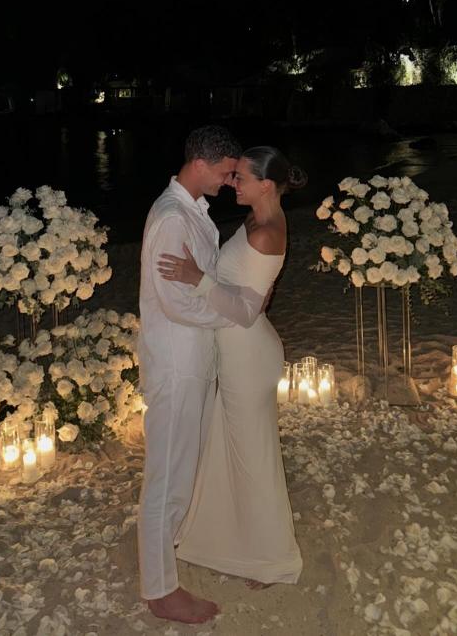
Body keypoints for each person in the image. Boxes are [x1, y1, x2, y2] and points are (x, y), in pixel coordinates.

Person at [158, 146, 305, 589]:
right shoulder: (254, 220)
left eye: (240, 178)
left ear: (265, 185)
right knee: (231, 451)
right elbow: (243, 289)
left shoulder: (267, 232)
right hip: (238, 352)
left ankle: (272, 560)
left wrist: (196, 278)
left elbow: (244, 311)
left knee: (253, 459)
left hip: (248, 357)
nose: (232, 183)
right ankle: (232, 541)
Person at [138, 124, 257, 624]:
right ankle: (160, 590)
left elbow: (198, 284)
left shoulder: (193, 211)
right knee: (167, 476)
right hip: (176, 361)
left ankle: (168, 554)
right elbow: (176, 302)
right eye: (226, 172)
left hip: (194, 357)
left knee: (181, 470)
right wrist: (233, 314)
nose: (230, 181)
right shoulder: (172, 217)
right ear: (201, 163)